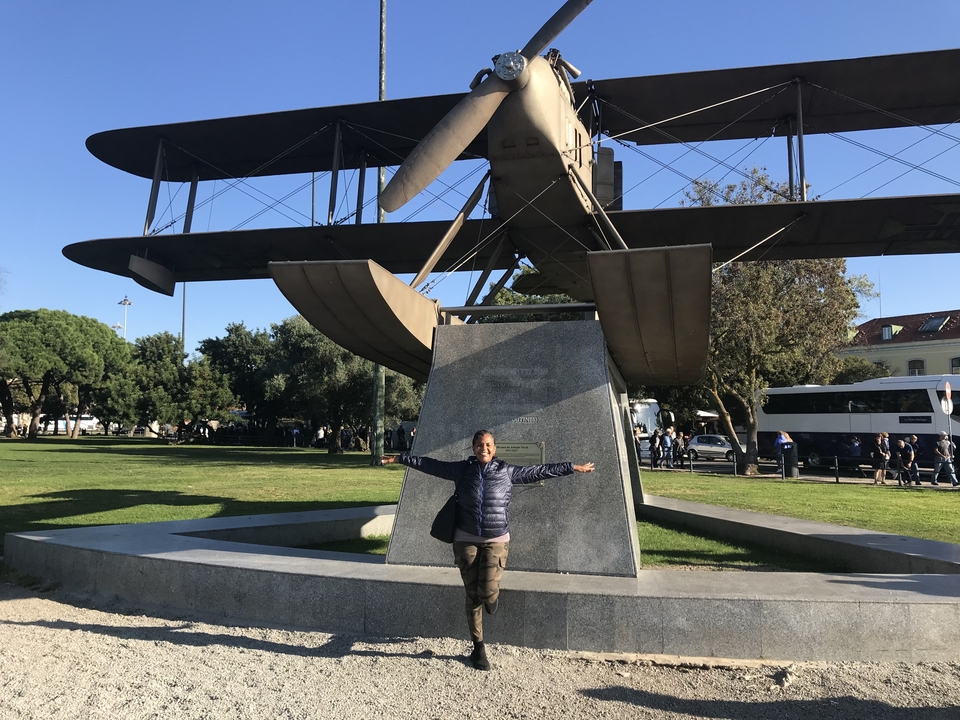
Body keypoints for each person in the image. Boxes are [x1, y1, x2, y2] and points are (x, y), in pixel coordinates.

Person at [382, 430, 594, 671]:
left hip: (496, 539)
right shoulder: (461, 470)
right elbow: (431, 465)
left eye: (489, 445)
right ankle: (478, 647)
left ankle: (491, 597)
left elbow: (540, 470)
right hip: (465, 539)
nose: (484, 448)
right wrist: (400, 458)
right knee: (472, 595)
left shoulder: (507, 471)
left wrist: (571, 467)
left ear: (495, 448)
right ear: (473, 448)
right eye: (480, 445)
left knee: (487, 590)